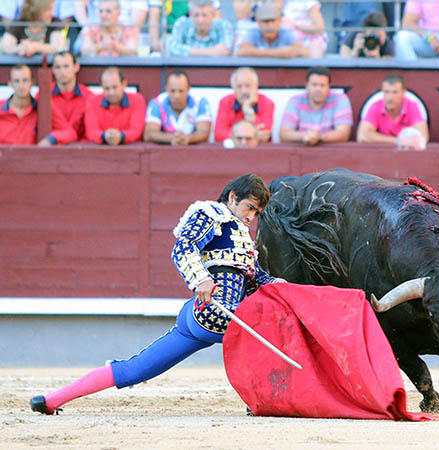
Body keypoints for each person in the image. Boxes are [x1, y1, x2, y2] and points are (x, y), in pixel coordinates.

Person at [29, 174, 284, 416]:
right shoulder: (211, 213)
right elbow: (184, 245)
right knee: (279, 334)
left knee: (135, 369)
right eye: (249, 207)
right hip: (216, 313)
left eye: (256, 213)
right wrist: (201, 279)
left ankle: (51, 400)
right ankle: (267, 400)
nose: (251, 216)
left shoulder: (239, 234)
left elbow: (255, 277)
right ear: (232, 197)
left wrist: (282, 286)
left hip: (200, 318)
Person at [0, 64, 76, 146]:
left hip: (31, 157)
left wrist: (50, 139)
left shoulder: (41, 107)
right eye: (16, 81)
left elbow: (69, 133)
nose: (21, 86)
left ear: (32, 82)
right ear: (10, 84)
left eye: (25, 80)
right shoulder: (1, 107)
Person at [279, 66, 352, 146]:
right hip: (300, 153)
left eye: (322, 85)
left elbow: (343, 134)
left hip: (332, 154)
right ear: (307, 86)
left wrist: (319, 137)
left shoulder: (340, 99)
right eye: (314, 85)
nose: (318, 89)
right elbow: (283, 134)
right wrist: (304, 136)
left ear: (329, 87)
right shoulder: (295, 101)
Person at [144, 70, 212, 145]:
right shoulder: (157, 103)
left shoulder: (200, 102)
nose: (177, 96)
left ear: (188, 89)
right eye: (172, 91)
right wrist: (172, 138)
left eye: (181, 91)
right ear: (166, 89)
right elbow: (149, 134)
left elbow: (204, 132)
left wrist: (188, 138)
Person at [357, 74, 429, 145]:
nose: (390, 98)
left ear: (404, 92)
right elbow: (363, 136)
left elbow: (423, 137)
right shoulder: (376, 106)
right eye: (387, 92)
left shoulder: (412, 106)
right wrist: (397, 141)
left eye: (395, 92)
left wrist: (379, 138)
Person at [84, 67, 146, 145]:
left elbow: (136, 130)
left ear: (124, 84)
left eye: (115, 87)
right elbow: (91, 131)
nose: (111, 93)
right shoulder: (92, 101)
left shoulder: (137, 100)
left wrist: (122, 136)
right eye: (107, 88)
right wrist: (104, 136)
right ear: (102, 86)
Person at [214, 67, 274, 143]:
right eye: (239, 86)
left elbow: (265, 134)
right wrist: (250, 136)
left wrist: (248, 110)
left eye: (247, 86)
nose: (243, 91)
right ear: (233, 88)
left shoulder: (267, 103)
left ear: (256, 86)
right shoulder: (225, 102)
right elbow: (219, 134)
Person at [47, 51, 93, 143]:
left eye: (66, 66)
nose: (62, 71)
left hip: (80, 150)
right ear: (52, 70)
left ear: (76, 67)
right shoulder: (44, 94)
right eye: (58, 67)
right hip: (52, 149)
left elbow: (90, 131)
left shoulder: (88, 96)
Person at [237, 2, 306, 58]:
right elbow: (241, 51)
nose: (270, 25)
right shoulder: (253, 32)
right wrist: (278, 53)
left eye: (273, 21)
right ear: (258, 22)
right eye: (265, 21)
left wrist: (258, 52)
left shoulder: (286, 32)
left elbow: (304, 51)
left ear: (280, 21)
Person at [1, 0, 67, 57]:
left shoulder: (54, 23)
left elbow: (57, 47)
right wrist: (21, 48)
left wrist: (36, 47)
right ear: (37, 10)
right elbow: (4, 47)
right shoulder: (19, 24)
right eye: (49, 9)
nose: (52, 13)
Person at [167, 0, 233, 57]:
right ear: (190, 14)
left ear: (213, 15)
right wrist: (211, 52)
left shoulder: (223, 25)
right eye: (196, 15)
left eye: (204, 15)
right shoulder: (182, 23)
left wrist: (191, 52)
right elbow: (173, 48)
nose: (200, 20)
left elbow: (227, 49)